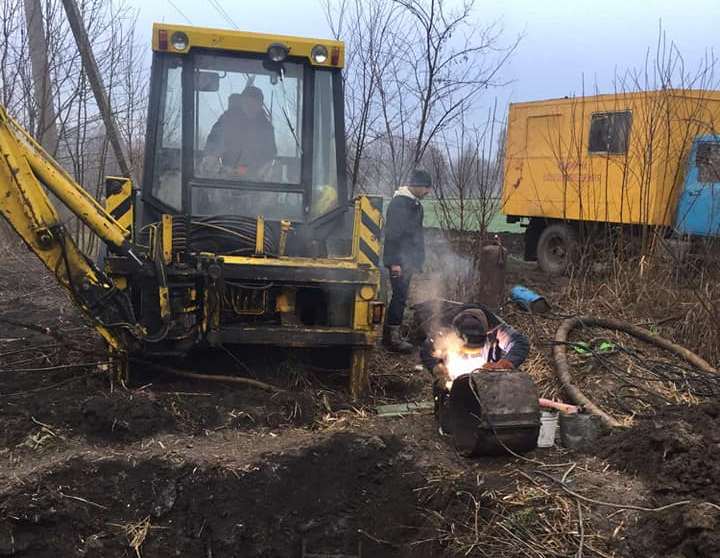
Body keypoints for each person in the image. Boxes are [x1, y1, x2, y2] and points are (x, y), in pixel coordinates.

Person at [419, 305, 530, 432]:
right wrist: (437, 369)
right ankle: (447, 412)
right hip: (451, 378)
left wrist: (503, 364)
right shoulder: (446, 326)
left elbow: (520, 343)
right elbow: (427, 349)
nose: (471, 356)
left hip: (486, 379)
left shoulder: (496, 327)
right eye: (468, 350)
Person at [382, 168, 433, 352]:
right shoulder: (399, 204)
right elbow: (393, 235)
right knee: (399, 297)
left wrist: (417, 260)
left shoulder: (414, 204)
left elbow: (415, 235)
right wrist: (394, 262)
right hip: (399, 260)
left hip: (408, 260)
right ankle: (392, 339)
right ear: (418, 186)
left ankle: (392, 334)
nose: (429, 192)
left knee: (401, 297)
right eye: (427, 187)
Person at [204, 86, 277, 178]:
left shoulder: (266, 128)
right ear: (241, 102)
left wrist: (246, 171)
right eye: (247, 103)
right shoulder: (227, 120)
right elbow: (213, 144)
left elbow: (269, 157)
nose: (250, 107)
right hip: (223, 179)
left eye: (255, 104)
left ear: (260, 105)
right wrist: (212, 159)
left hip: (255, 183)